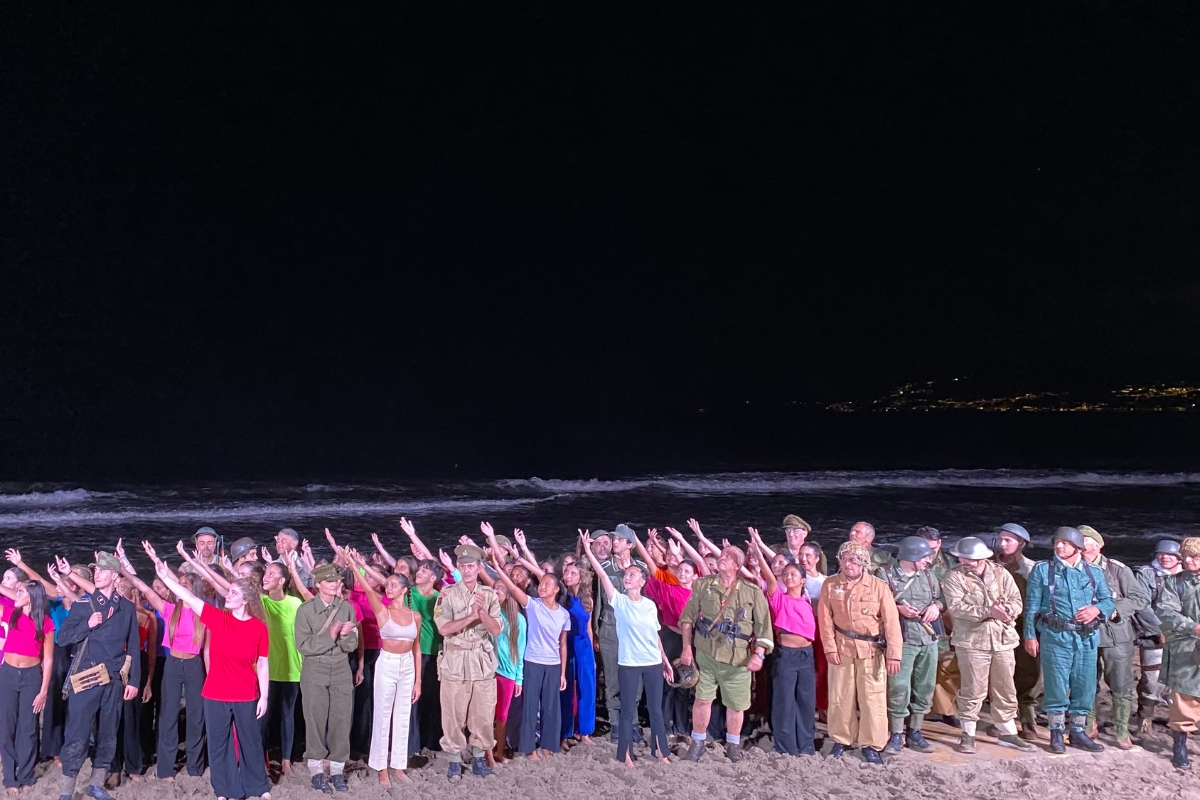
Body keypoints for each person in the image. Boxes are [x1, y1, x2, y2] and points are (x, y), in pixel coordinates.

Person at [152, 556, 271, 800]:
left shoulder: (258, 627)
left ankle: (258, 787)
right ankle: (224, 790)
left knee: (250, 742)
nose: (228, 595)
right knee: (218, 744)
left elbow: (262, 663)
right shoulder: (218, 619)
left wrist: (265, 696)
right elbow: (189, 597)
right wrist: (165, 577)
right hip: (215, 693)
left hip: (246, 693)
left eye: (234, 592)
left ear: (246, 599)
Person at [582, 532, 673, 766]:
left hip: (651, 662)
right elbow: (602, 574)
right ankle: (625, 754)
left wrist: (665, 660)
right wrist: (588, 549)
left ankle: (661, 752)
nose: (627, 577)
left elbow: (655, 634)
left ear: (642, 581)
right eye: (626, 575)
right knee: (625, 710)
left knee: (655, 710)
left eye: (632, 575)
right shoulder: (619, 602)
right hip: (629, 663)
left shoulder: (650, 605)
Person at [56, 552, 141, 800]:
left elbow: (133, 645)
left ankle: (96, 784)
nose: (97, 574)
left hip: (114, 680)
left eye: (103, 571)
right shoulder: (84, 605)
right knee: (76, 735)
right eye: (96, 571)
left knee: (108, 734)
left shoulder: (126, 607)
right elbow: (63, 638)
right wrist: (88, 625)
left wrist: (134, 681)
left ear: (115, 576)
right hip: (87, 678)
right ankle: (65, 793)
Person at [1023, 526, 1115, 754]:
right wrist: (1029, 635)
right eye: (1057, 542)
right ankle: (1056, 732)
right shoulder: (1043, 570)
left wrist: (1096, 610)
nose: (1059, 546)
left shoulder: (1093, 571)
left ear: (1077, 548)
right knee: (1056, 684)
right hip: (1056, 637)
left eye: (1065, 543)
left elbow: (1107, 601)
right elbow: (1032, 606)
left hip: (1087, 638)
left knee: (1085, 685)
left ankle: (1078, 732)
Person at [679, 544, 774, 763]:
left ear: (738, 565)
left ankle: (733, 745)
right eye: (722, 555)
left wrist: (758, 654)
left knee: (736, 704)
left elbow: (763, 627)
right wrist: (686, 648)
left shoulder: (752, 592)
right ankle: (698, 743)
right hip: (706, 654)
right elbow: (687, 618)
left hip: (737, 658)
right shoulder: (703, 586)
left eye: (730, 556)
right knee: (702, 700)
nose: (723, 558)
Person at [941, 536, 1034, 753]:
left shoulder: (1001, 574)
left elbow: (1016, 601)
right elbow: (956, 607)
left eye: (969, 559)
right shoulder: (954, 577)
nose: (964, 562)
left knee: (1005, 688)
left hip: (1002, 641)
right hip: (972, 642)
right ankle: (968, 734)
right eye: (961, 558)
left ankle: (1008, 732)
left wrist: (1007, 611)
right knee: (973, 689)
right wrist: (988, 612)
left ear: (982, 558)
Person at [818, 541, 901, 764]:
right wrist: (830, 648)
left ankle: (872, 744)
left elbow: (892, 623)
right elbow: (825, 621)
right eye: (844, 559)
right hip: (842, 649)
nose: (848, 564)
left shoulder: (879, 587)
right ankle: (841, 739)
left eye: (854, 560)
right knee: (839, 696)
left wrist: (894, 655)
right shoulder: (830, 585)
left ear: (863, 563)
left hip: (871, 651)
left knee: (873, 699)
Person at [344, 550, 421, 787]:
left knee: (402, 716)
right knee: (383, 714)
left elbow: (416, 648)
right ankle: (381, 768)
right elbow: (368, 589)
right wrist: (355, 565)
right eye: (388, 584)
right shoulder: (382, 611)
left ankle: (399, 766)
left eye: (394, 585)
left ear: (404, 589)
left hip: (407, 665)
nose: (389, 588)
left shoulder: (415, 616)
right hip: (387, 662)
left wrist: (418, 680)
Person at [491, 539, 570, 761]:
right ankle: (528, 748)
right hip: (533, 662)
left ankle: (548, 745)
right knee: (530, 705)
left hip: (553, 665)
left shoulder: (563, 614)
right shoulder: (532, 605)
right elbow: (514, 589)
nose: (542, 586)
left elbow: (562, 644)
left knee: (551, 707)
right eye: (541, 583)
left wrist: (563, 672)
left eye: (547, 584)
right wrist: (499, 567)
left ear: (555, 590)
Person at [1079, 525, 1149, 749]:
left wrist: (1113, 609)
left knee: (1121, 684)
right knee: (1086, 682)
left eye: (1086, 549)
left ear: (1098, 546)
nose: (1082, 553)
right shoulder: (1073, 570)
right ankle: (1089, 725)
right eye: (1078, 549)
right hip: (1084, 635)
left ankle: (1121, 729)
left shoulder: (1118, 570)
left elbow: (1139, 598)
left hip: (1116, 636)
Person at [436, 543, 502, 781]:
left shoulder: (490, 595)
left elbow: (495, 630)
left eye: (471, 566)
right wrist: (471, 616)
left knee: (483, 713)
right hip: (455, 659)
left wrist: (482, 613)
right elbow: (444, 628)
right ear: (458, 567)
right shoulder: (447, 594)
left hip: (481, 661)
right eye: (463, 566)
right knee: (453, 713)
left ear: (478, 567)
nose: (467, 570)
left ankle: (478, 757)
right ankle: (454, 760)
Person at [748, 528, 816, 756]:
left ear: (803, 579)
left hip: (806, 656)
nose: (788, 577)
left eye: (793, 575)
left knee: (805, 702)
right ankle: (786, 747)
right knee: (784, 702)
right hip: (785, 655)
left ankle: (806, 746)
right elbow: (768, 575)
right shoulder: (779, 599)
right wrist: (757, 550)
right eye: (785, 574)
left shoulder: (806, 601)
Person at [295, 563, 359, 793]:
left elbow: (352, 644)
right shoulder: (306, 610)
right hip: (315, 668)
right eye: (330, 581)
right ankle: (316, 770)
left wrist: (345, 637)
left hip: (341, 668)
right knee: (315, 719)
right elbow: (303, 646)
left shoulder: (347, 608)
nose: (335, 584)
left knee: (341, 720)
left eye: (337, 580)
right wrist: (331, 635)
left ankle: (337, 770)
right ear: (318, 584)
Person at [878, 536, 941, 755]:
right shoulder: (885, 575)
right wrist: (898, 609)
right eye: (924, 556)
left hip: (928, 639)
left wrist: (936, 607)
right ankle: (896, 733)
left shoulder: (929, 577)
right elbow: (877, 603)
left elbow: (939, 599)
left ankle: (915, 731)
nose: (928, 560)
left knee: (925, 686)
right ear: (912, 555)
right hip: (901, 640)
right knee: (898, 687)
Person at [594, 525, 649, 741]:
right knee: (613, 680)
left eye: (619, 539)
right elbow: (599, 600)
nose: (614, 542)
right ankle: (616, 724)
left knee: (634, 681)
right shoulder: (605, 568)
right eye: (613, 538)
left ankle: (633, 722)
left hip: (635, 630)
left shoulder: (641, 568)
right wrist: (596, 632)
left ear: (630, 544)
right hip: (610, 627)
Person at [0, 580, 54, 794]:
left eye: (20, 591)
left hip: (32, 677)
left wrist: (44, 690)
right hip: (8, 674)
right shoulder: (11, 613)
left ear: (32, 596)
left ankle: (25, 774)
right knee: (6, 725)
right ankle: (10, 778)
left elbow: (48, 659)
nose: (16, 594)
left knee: (28, 727)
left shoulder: (45, 623)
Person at [1155, 536, 1200, 770]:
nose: (1190, 561)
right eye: (1187, 556)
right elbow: (1165, 611)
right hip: (1186, 649)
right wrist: (1193, 627)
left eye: (1196, 556)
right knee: (1183, 701)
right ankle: (1179, 747)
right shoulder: (1175, 583)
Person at [992, 522, 1041, 740]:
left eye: (1008, 540)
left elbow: (1039, 602)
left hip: (1023, 627)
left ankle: (1028, 719)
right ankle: (1003, 720)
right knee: (999, 675)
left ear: (1021, 544)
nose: (1003, 544)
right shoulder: (988, 565)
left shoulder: (1033, 569)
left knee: (1029, 673)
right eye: (1001, 539)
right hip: (994, 627)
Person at [399, 519, 444, 753]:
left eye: (425, 570)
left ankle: (432, 743)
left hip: (436, 653)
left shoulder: (441, 595)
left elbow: (437, 564)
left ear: (433, 578)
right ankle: (412, 746)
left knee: (433, 700)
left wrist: (414, 535)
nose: (420, 572)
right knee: (413, 700)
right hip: (415, 652)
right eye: (420, 569)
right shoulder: (410, 593)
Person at [259, 560, 303, 777]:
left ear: (282, 580)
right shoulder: (261, 602)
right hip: (266, 670)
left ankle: (286, 761)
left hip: (291, 669)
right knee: (263, 717)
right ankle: (262, 759)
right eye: (265, 573)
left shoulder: (295, 604)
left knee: (288, 715)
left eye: (271, 573)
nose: (265, 576)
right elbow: (229, 589)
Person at [1134, 539, 1181, 731]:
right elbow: (1142, 605)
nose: (1165, 557)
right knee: (1152, 680)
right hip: (1155, 637)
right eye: (1161, 554)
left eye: (1171, 554)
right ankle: (1145, 718)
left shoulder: (1188, 576)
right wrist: (1159, 629)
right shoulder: (1146, 574)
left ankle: (1183, 718)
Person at [490, 576, 526, 763]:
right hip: (489, 671)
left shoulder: (518, 620)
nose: (496, 592)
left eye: (501, 589)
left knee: (502, 715)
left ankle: (500, 752)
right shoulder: (490, 615)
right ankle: (487, 751)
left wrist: (519, 678)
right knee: (487, 713)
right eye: (494, 588)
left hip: (507, 673)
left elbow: (520, 650)